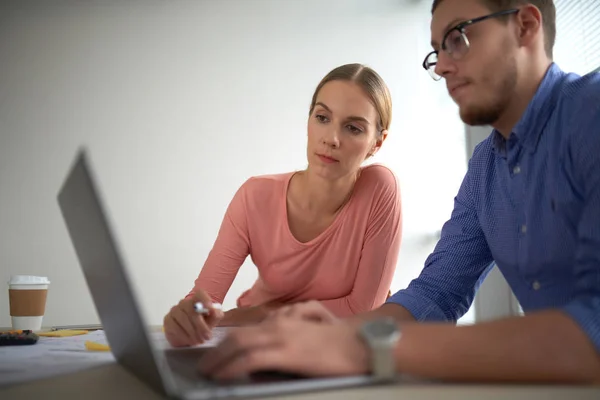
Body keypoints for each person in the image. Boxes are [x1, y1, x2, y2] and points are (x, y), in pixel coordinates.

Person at [197, 0, 600, 383]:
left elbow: (592, 327)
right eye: (436, 51)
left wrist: (360, 347)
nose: (442, 66)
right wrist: (318, 338)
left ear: (525, 26)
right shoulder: (485, 168)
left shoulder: (591, 112)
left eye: (457, 38)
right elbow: (435, 295)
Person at [163, 63, 403, 347]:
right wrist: (187, 317)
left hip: (325, 344)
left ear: (377, 143)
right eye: (322, 117)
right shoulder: (255, 196)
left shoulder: (379, 188)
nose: (331, 139)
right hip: (257, 340)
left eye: (353, 128)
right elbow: (204, 301)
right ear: (309, 121)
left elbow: (363, 310)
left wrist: (259, 314)